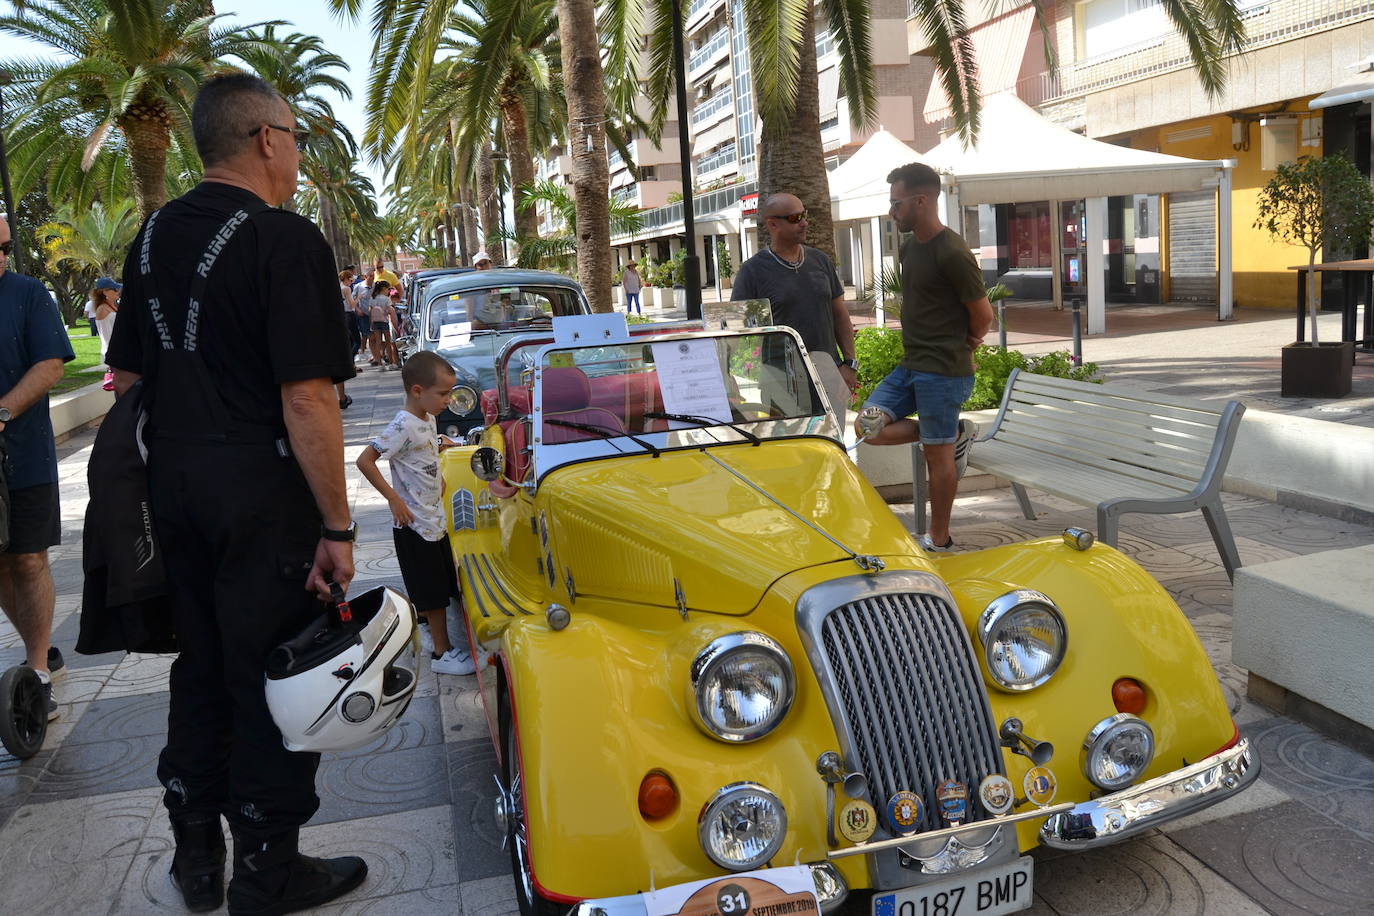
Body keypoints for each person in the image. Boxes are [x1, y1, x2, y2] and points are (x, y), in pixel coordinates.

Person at [106, 72, 365, 914]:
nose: (296, 153)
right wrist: (337, 523)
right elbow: (308, 397)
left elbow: (129, 372)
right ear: (265, 139)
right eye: (295, 137)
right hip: (259, 488)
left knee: (204, 665)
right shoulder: (284, 239)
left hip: (172, 486)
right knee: (273, 671)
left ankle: (196, 858)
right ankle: (266, 869)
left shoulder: (149, 240)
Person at [858, 162, 993, 553]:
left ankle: (939, 537)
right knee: (868, 427)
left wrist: (964, 343)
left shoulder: (953, 252)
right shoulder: (909, 246)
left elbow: (984, 317)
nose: (891, 211)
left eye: (896, 203)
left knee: (937, 459)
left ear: (921, 200)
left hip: (943, 372)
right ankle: (950, 434)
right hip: (911, 366)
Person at [355, 351, 475, 678]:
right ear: (418, 391)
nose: (448, 400)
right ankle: (442, 653)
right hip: (415, 525)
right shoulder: (402, 424)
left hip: (432, 519)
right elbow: (365, 460)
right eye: (443, 393)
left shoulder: (425, 418)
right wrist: (394, 499)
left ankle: (433, 636)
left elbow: (421, 452)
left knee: (438, 585)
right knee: (433, 592)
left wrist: (439, 466)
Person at [0, 216, 74, 723]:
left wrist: (2, 413)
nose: (2, 256)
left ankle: (37, 676)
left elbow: (51, 365)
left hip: (23, 457)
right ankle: (38, 648)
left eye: (6, 246)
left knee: (28, 559)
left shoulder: (28, 294)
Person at [730, 193, 858, 419]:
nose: (804, 222)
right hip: (780, 382)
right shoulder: (753, 272)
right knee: (791, 449)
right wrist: (728, 376)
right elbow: (734, 329)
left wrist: (849, 365)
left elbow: (840, 316)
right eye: (795, 218)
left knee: (832, 445)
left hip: (827, 373)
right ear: (772, 224)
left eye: (804, 215)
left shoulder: (820, 261)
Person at [90, 278, 121, 390]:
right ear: (105, 292)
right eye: (114, 289)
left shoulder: (111, 307)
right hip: (114, 353)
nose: (118, 291)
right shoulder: (103, 309)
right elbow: (107, 334)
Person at [365, 280, 398, 368]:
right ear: (383, 289)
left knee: (378, 342)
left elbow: (370, 311)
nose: (389, 291)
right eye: (388, 289)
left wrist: (370, 323)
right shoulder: (386, 299)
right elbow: (390, 311)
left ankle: (380, 363)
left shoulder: (373, 298)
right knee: (388, 342)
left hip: (375, 322)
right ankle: (391, 363)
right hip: (384, 321)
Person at [337, 270, 357, 409]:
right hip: (348, 316)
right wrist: (359, 298)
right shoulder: (347, 289)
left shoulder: (337, 287)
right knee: (355, 340)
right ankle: (350, 362)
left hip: (339, 318)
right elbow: (351, 305)